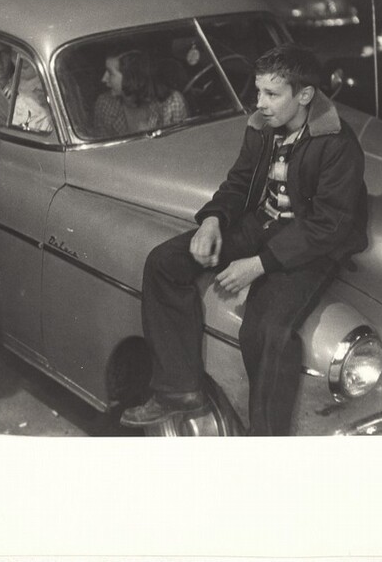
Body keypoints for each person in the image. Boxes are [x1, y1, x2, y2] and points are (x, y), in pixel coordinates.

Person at [120, 43, 368, 435]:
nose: (260, 103)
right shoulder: (262, 126)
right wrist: (213, 220)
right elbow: (239, 182)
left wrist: (259, 264)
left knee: (265, 330)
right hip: (262, 223)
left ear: (304, 95)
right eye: (258, 92)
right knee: (164, 262)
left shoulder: (336, 142)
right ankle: (179, 390)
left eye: (272, 94)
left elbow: (328, 225)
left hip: (309, 243)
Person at [94, 49, 187, 137]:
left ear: (131, 77)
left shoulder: (172, 103)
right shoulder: (104, 104)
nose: (104, 79)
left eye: (110, 73)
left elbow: (181, 144)